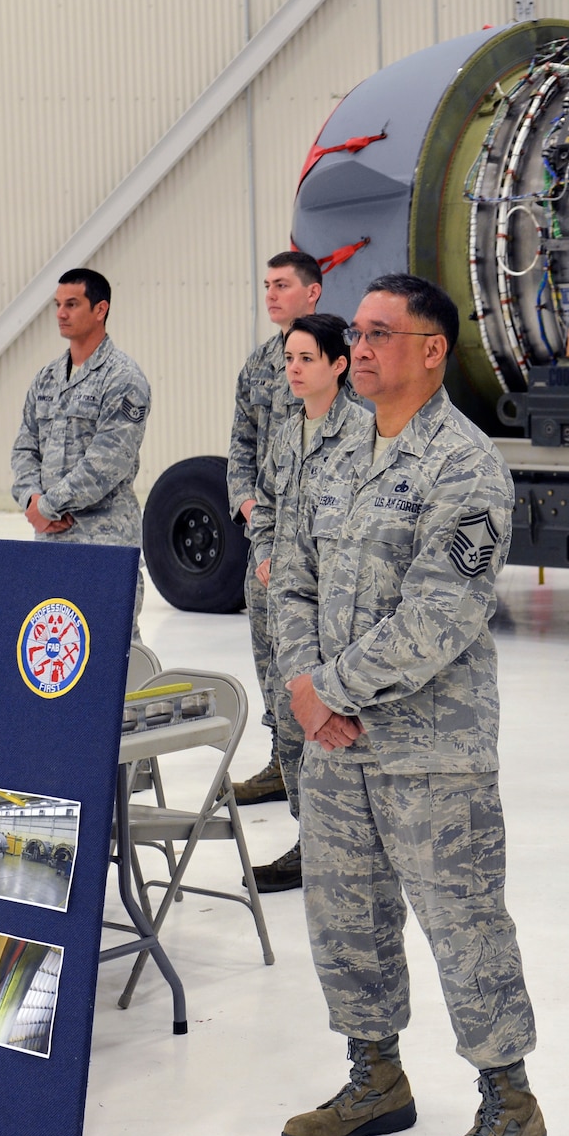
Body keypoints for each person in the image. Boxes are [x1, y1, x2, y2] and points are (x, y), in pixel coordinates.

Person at [273, 274, 544, 1136]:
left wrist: (328, 692)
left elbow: (439, 617)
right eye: (358, 331)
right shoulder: (338, 455)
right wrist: (303, 688)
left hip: (433, 752)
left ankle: (511, 1105)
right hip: (336, 749)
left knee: (464, 926)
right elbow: (291, 576)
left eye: (382, 333)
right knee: (344, 920)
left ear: (433, 350)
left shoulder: (467, 466)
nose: (362, 346)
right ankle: (375, 1076)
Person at [241, 311, 367, 893]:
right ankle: (308, 842)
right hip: (282, 611)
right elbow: (264, 501)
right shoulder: (288, 430)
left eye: (306, 359)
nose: (293, 369)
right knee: (291, 725)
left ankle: (345, 849)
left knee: (334, 731)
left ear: (338, 366)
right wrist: (265, 549)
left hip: (334, 619)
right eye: (289, 359)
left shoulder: (365, 435)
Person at [228, 251, 326, 815]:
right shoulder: (259, 364)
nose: (271, 294)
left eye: (282, 285)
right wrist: (247, 507)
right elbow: (241, 447)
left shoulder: (338, 354)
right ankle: (281, 763)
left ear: (312, 292)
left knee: (308, 666)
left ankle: (314, 786)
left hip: (313, 545)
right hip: (262, 541)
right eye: (266, 285)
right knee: (269, 659)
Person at [10, 268, 153, 623]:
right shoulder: (46, 379)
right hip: (50, 544)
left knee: (111, 649)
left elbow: (108, 462)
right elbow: (25, 447)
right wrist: (30, 499)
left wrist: (49, 507)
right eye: (58, 304)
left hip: (103, 543)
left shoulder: (123, 378)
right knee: (51, 648)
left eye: (72, 304)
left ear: (100, 309)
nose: (61, 313)